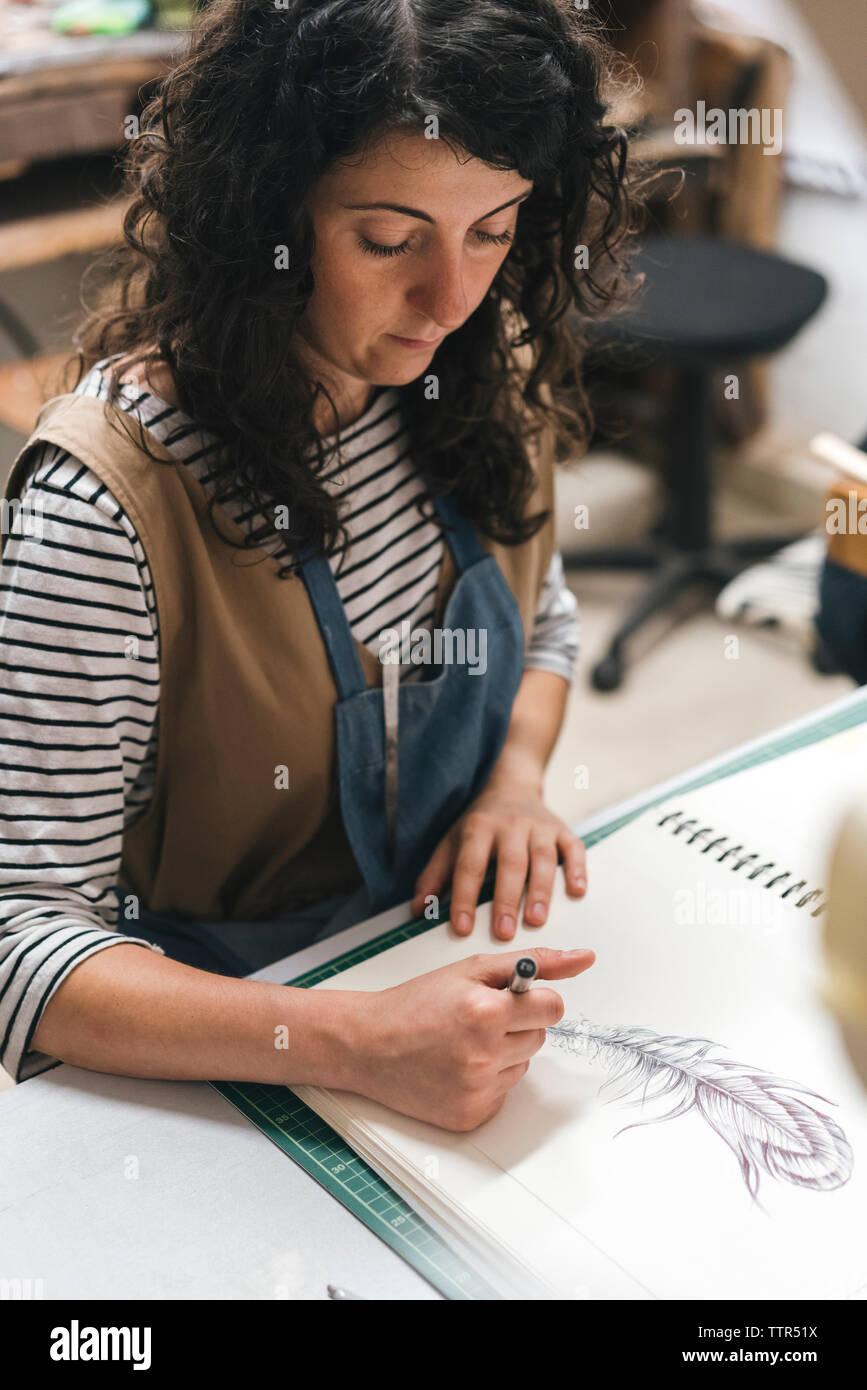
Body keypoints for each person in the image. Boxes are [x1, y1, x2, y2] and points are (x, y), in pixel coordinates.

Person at [0, 0, 640, 1128]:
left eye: (492, 230)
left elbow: (546, 618)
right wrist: (350, 1037)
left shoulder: (477, 374)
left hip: (423, 974)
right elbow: (21, 938)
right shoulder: (106, 507)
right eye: (389, 241)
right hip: (215, 1044)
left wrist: (516, 781)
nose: (450, 299)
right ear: (265, 217)